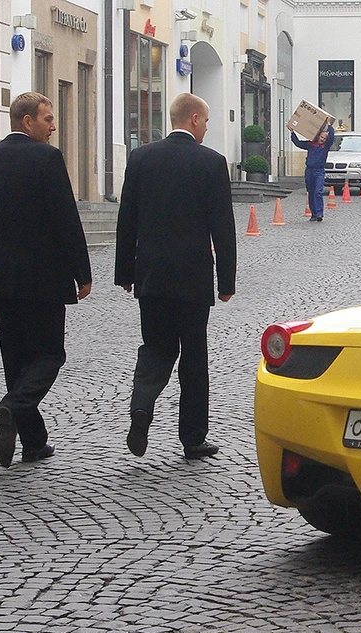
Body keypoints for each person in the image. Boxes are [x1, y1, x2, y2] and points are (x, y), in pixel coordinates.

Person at [0, 92, 92, 468]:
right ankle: (14, 406)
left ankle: (33, 441)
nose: (53, 127)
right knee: (50, 354)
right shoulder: (47, 158)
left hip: (2, 275)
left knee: (16, 360)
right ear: (26, 121)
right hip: (45, 276)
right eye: (48, 119)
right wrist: (81, 272)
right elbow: (65, 218)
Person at [115, 93, 237, 461]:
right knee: (194, 357)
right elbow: (223, 227)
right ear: (196, 119)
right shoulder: (212, 163)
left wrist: (125, 272)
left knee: (154, 347)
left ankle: (141, 405)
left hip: (151, 276)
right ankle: (193, 437)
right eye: (207, 121)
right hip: (192, 279)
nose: (207, 128)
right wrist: (226, 281)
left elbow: (127, 220)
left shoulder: (141, 158)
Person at [289, 121, 335, 222]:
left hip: (319, 171)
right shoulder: (311, 144)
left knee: (318, 191)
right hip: (309, 170)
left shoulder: (326, 147)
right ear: (318, 136)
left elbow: (331, 137)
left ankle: (319, 213)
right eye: (322, 137)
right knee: (311, 192)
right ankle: (314, 214)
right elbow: (298, 143)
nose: (322, 140)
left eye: (324, 139)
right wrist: (292, 133)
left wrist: (329, 126)